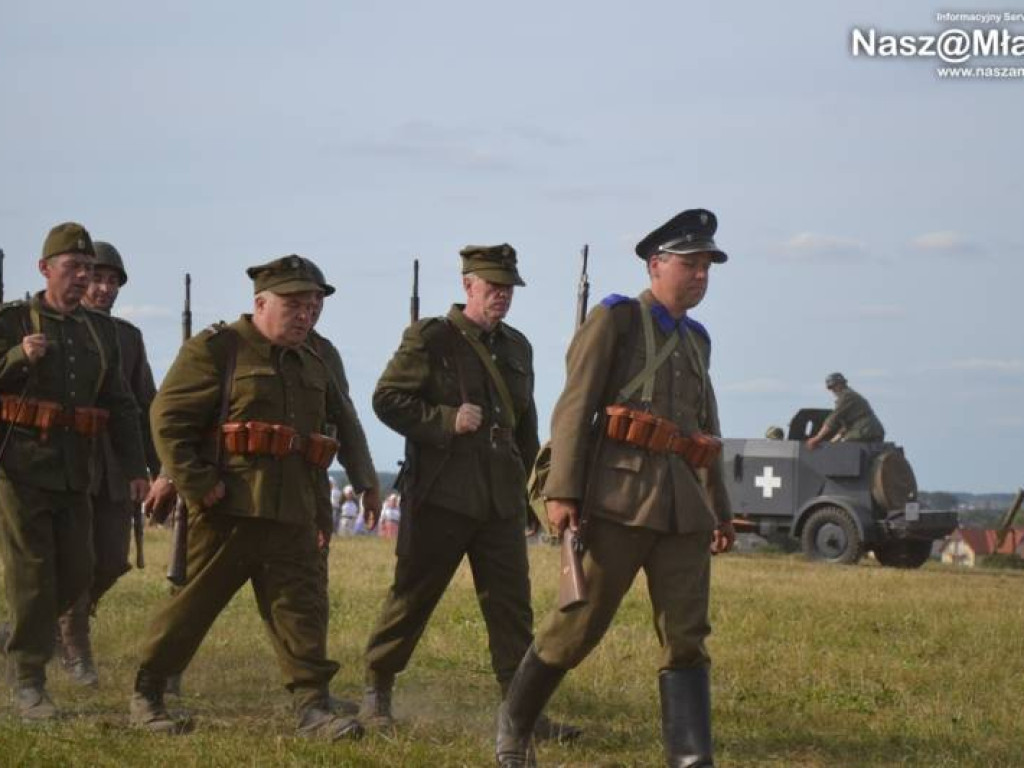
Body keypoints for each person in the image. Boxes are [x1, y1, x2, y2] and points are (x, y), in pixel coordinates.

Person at [495, 209, 737, 768]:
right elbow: (574, 408)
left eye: (707, 266)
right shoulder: (617, 320)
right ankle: (514, 727)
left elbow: (706, 431)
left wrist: (719, 511)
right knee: (577, 628)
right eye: (690, 264)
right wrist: (562, 492)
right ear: (656, 266)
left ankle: (691, 759)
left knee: (687, 636)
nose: (700, 274)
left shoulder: (697, 339)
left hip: (682, 510)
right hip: (617, 501)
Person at [129, 255, 363, 740]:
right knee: (192, 607)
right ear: (261, 302)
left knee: (301, 607)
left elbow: (334, 430)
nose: (306, 314)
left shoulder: (316, 358)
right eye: (294, 304)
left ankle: (312, 707)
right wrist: (194, 483)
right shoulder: (218, 349)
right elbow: (168, 419)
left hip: (293, 507)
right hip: (226, 508)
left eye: (314, 304)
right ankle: (148, 693)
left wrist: (358, 484)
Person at [360, 243, 575, 741]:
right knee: (413, 595)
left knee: (511, 606)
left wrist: (532, 497)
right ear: (467, 285)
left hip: (499, 495)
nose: (501, 296)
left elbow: (525, 427)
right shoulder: (431, 338)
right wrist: (443, 420)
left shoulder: (518, 347)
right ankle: (377, 691)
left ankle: (522, 713)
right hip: (441, 493)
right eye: (492, 286)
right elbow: (386, 398)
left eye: (508, 288)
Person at [0, 222, 149, 721]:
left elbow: (122, 405)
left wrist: (136, 468)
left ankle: (20, 633)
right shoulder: (14, 319)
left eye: (88, 269)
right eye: (74, 268)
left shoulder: (100, 332)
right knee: (33, 573)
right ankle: (30, 685)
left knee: (81, 570)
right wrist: (19, 357)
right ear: (45, 269)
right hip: (19, 468)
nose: (84, 278)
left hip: (76, 471)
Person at [53, 240, 161, 688]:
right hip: (65, 460)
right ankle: (77, 651)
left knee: (113, 560)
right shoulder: (57, 327)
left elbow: (143, 404)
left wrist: (160, 469)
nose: (103, 288)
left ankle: (45, 627)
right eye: (96, 277)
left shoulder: (128, 338)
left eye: (112, 281)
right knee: (75, 561)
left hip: (116, 466)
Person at [806, 372, 885, 449]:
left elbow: (832, 419)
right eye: (830, 387)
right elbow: (845, 428)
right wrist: (832, 442)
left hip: (865, 430)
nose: (833, 390)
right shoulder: (849, 395)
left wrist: (817, 438)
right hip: (870, 431)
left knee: (842, 449)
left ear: (842, 384)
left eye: (834, 386)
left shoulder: (846, 396)